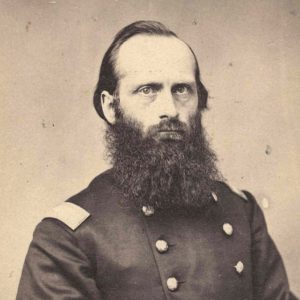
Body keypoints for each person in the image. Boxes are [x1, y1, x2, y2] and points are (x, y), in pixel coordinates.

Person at [17, 20, 297, 300]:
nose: (170, 110)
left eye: (181, 90)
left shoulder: (240, 212)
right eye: (148, 90)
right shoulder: (67, 237)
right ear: (110, 106)